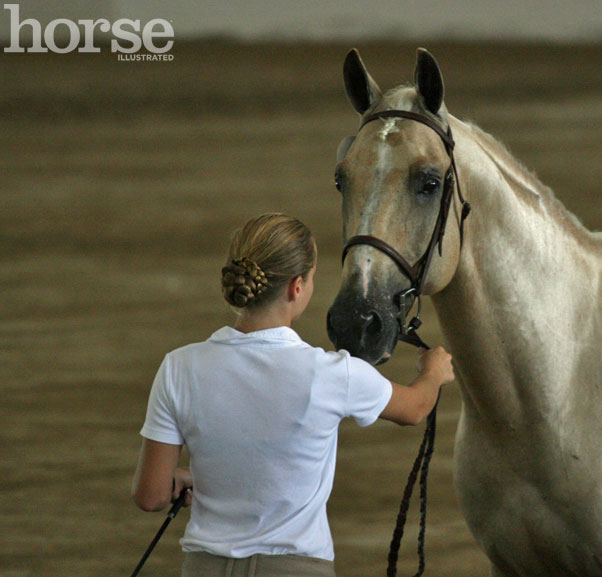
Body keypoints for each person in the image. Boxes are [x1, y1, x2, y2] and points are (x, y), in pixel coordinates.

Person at [131, 213, 454, 576]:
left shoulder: (179, 367)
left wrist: (192, 477)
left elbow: (151, 496)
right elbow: (415, 408)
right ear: (296, 288)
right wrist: (434, 372)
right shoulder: (330, 374)